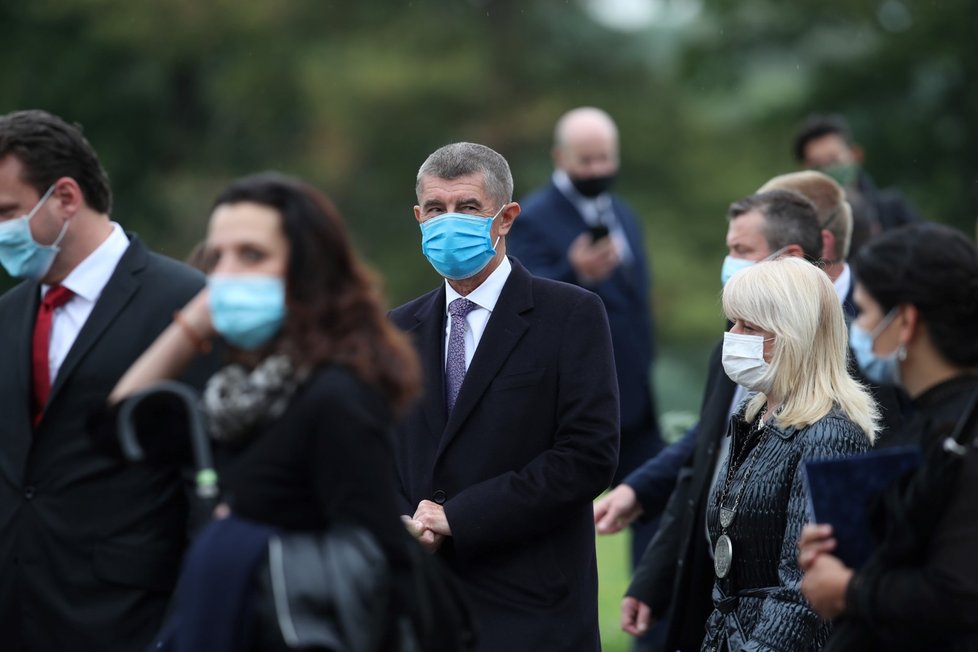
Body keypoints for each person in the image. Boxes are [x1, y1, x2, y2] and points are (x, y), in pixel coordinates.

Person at [108, 172, 440, 650]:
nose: (225, 273)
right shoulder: (235, 394)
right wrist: (192, 323)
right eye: (216, 257)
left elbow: (380, 561)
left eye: (252, 255)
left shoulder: (334, 395)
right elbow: (114, 430)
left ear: (306, 272)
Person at [0, 109, 216, 652]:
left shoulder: (187, 305)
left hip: (131, 619)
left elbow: (209, 477)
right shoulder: (7, 314)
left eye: (7, 212)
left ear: (66, 197)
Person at [390, 142, 619, 651]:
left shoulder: (570, 315)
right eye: (435, 209)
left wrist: (463, 516)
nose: (449, 222)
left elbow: (588, 457)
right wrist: (400, 523)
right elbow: (373, 454)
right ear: (418, 217)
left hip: (532, 608)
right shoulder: (396, 330)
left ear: (506, 218)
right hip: (424, 608)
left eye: (468, 207)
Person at [616, 188, 825, 651]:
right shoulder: (731, 353)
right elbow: (703, 466)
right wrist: (652, 578)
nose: (728, 261)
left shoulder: (833, 383)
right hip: (716, 603)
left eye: (740, 250)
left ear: (787, 257)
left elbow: (805, 570)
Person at [799, 223, 978, 651]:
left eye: (863, 312)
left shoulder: (961, 435)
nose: (856, 328)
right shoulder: (933, 417)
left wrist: (849, 590)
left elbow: (959, 594)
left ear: (906, 322)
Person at [508, 106, 662, 570]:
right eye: (586, 161)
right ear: (560, 157)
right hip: (572, 403)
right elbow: (522, 299)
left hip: (636, 403)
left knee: (658, 517)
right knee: (558, 525)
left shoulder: (624, 214)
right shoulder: (532, 218)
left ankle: (653, 633)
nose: (597, 170)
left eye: (604, 159)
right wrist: (575, 272)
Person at [703, 256, 878, 650]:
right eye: (733, 322)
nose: (733, 335)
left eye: (749, 326)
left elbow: (802, 593)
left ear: (792, 335)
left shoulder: (830, 434)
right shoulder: (756, 416)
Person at [793, 113, 921, 258]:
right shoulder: (801, 227)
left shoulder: (892, 211)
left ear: (855, 155)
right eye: (817, 166)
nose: (827, 171)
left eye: (834, 161)